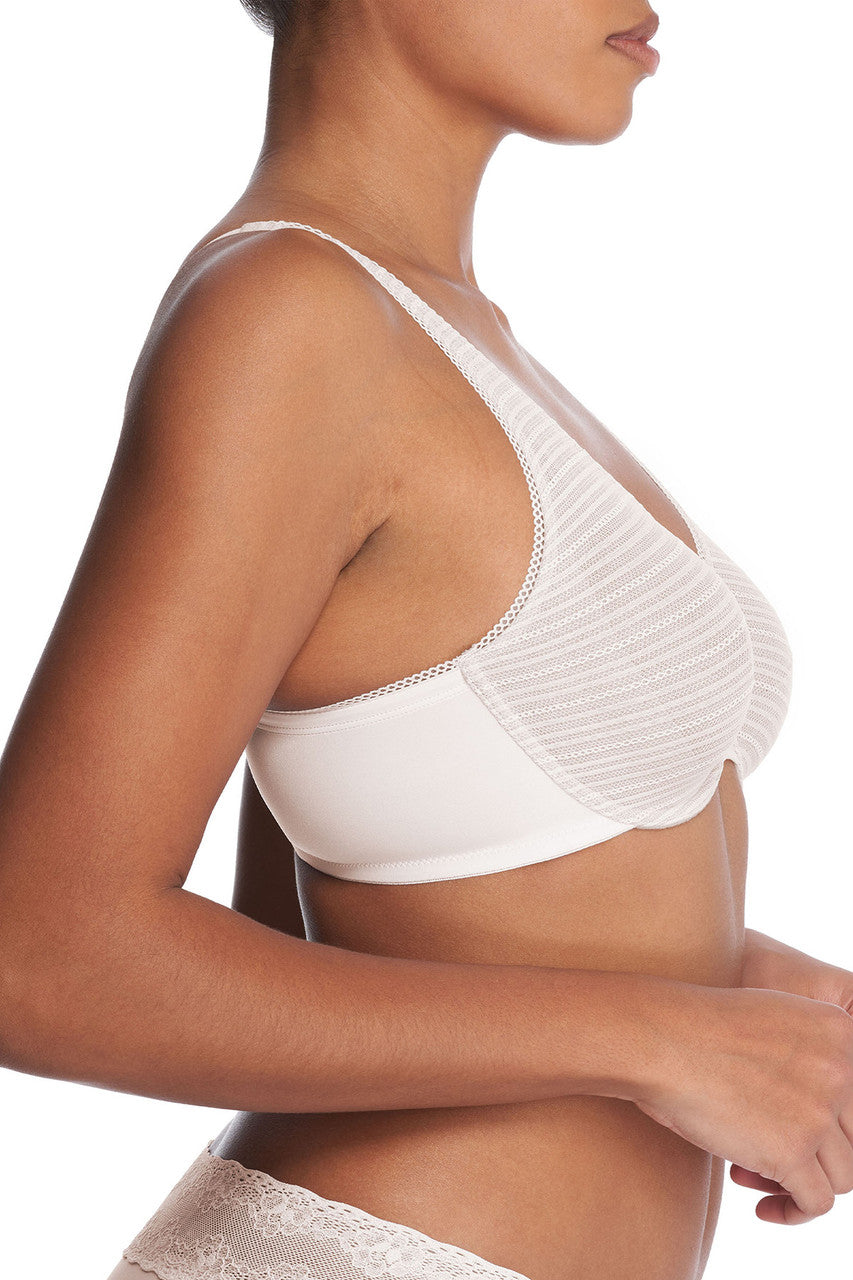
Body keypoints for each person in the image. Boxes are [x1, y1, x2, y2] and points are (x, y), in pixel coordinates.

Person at [1, 3, 852, 1279]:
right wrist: (661, 1036)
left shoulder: (442, 335)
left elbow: (306, 927)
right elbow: (39, 956)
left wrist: (723, 984)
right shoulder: (291, 316)